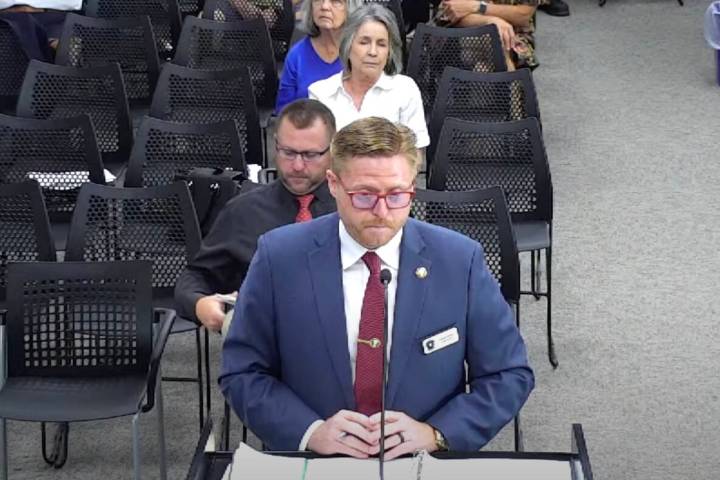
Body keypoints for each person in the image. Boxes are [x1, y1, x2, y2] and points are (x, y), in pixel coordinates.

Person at [220, 117, 534, 458]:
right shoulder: (278, 256)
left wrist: (437, 433)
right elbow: (242, 370)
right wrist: (309, 432)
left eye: (398, 195)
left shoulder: (460, 260)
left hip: (422, 460)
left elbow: (508, 374)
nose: (383, 212)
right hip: (315, 457)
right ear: (334, 184)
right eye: (365, 196)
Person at [174, 99, 338, 331]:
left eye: (311, 155)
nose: (298, 165)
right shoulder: (243, 211)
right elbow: (196, 277)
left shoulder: (354, 209)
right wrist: (200, 304)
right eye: (288, 153)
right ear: (275, 146)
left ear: (332, 151)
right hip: (264, 343)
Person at [308, 4, 429, 149]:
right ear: (348, 45)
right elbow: (317, 155)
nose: (373, 52)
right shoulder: (320, 93)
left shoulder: (405, 89)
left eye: (381, 44)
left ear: (389, 51)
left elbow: (416, 154)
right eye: (364, 42)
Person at [275, 0, 362, 113]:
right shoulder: (297, 55)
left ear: (350, 8)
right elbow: (284, 112)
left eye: (335, 1)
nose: (324, 6)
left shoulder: (362, 52)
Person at [435, 0, 547, 70]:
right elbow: (449, 11)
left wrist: (479, 7)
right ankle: (511, 102)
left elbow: (523, 16)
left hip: (513, 35)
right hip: (460, 33)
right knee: (495, 36)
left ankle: (508, 101)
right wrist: (491, 21)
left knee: (497, 40)